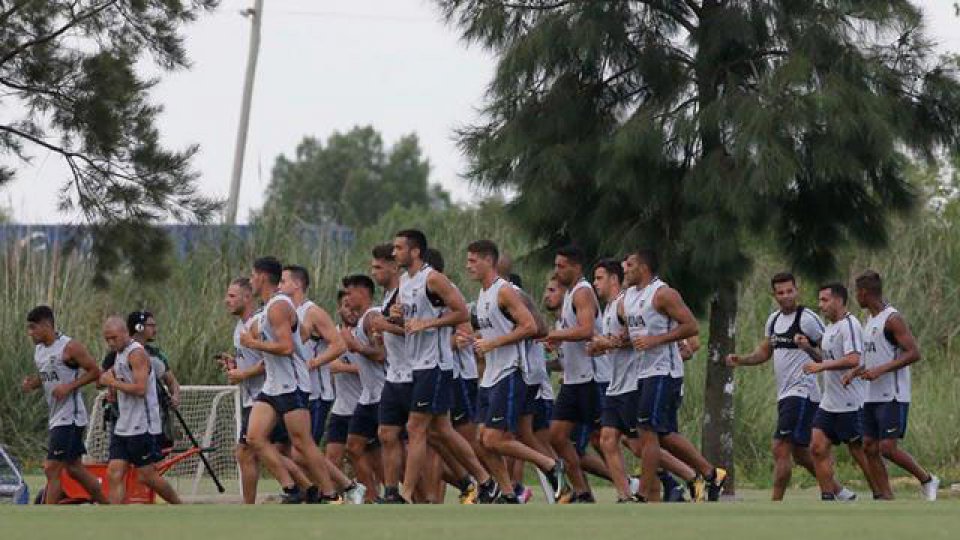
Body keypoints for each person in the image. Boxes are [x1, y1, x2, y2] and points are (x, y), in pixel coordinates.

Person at [726, 273, 854, 501]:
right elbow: (765, 352)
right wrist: (742, 360)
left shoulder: (807, 318)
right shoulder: (773, 320)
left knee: (780, 447)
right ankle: (841, 493)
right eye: (780, 292)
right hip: (785, 394)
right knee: (802, 454)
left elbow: (829, 349)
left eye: (789, 291)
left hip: (802, 393)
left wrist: (808, 350)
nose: (785, 296)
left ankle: (775, 503)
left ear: (797, 291)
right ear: (773, 295)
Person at [389, 229, 496, 503]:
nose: (394, 253)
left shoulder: (433, 279)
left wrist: (429, 324)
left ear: (415, 252)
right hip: (416, 364)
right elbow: (408, 316)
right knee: (442, 431)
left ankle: (406, 494)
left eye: (399, 248)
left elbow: (461, 313)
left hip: (434, 365)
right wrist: (396, 314)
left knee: (416, 429)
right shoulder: (404, 280)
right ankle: (486, 481)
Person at [621, 249, 726, 502]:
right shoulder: (630, 297)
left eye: (630, 264)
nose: (624, 268)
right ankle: (712, 474)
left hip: (663, 371)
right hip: (643, 372)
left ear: (644, 267)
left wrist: (657, 339)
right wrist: (614, 341)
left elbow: (690, 326)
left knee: (647, 431)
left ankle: (644, 494)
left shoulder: (662, 294)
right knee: (664, 436)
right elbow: (636, 333)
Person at [466, 239, 565, 503]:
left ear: (489, 261)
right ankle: (508, 493)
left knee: (496, 439)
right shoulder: (484, 294)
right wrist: (478, 340)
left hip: (510, 373)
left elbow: (532, 327)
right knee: (481, 441)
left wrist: (493, 343)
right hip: (490, 376)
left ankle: (550, 465)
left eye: (473, 260)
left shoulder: (504, 291)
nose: (468, 266)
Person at [240, 256, 331, 504]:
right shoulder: (268, 309)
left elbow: (287, 347)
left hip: (292, 384)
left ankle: (331, 493)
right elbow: (299, 334)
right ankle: (294, 487)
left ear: (262, 277)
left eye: (252, 276)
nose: (250, 281)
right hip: (273, 385)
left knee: (302, 444)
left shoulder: (278, 306)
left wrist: (254, 343)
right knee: (254, 438)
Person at [853, 270, 939, 501]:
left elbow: (914, 353)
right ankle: (885, 497)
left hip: (892, 395)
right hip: (870, 396)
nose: (856, 297)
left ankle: (928, 479)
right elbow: (870, 358)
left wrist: (881, 370)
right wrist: (855, 372)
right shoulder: (869, 321)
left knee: (887, 448)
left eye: (856, 293)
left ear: (864, 293)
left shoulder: (892, 319)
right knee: (869, 447)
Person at [796, 283, 875, 501]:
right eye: (820, 300)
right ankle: (828, 498)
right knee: (818, 448)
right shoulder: (830, 328)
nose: (821, 305)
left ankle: (881, 493)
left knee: (860, 452)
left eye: (825, 300)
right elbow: (827, 360)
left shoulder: (850, 325)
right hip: (829, 402)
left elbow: (853, 359)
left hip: (851, 402)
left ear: (839, 301)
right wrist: (808, 349)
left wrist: (821, 367)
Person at [22, 305, 107, 504]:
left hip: (70, 416)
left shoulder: (69, 347)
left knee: (52, 468)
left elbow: (95, 371)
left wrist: (69, 387)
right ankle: (107, 505)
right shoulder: (39, 350)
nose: (30, 333)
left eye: (33, 327)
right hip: (56, 415)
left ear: (46, 325)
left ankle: (47, 518)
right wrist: (33, 383)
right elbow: (48, 376)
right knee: (75, 469)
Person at [98, 316, 181, 504]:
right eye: (107, 339)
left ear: (126, 334)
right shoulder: (119, 354)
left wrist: (112, 383)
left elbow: (140, 389)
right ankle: (114, 519)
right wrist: (112, 389)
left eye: (114, 338)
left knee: (146, 475)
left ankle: (178, 505)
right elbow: (116, 377)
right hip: (124, 423)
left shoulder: (137, 354)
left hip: (141, 424)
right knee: (114, 472)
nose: (111, 343)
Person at [542, 245, 600, 503]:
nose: (557, 270)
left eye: (561, 266)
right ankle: (582, 492)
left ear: (576, 267)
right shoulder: (570, 296)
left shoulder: (583, 292)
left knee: (606, 439)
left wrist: (555, 335)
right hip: (572, 381)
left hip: (591, 378)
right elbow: (572, 333)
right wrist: (558, 341)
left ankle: (640, 487)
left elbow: (587, 330)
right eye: (555, 265)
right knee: (556, 436)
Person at [343, 274, 387, 503]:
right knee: (354, 447)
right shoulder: (360, 321)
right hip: (368, 395)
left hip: (382, 393)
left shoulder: (372, 317)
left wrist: (356, 347)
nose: (347, 298)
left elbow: (381, 354)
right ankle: (373, 496)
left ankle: (404, 493)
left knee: (391, 444)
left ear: (363, 292)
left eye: (350, 293)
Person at [128, 310, 180, 452]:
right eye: (151, 325)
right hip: (127, 418)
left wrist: (175, 396)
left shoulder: (156, 354)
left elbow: (172, 382)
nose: (155, 330)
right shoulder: (121, 352)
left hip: (154, 416)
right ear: (139, 327)